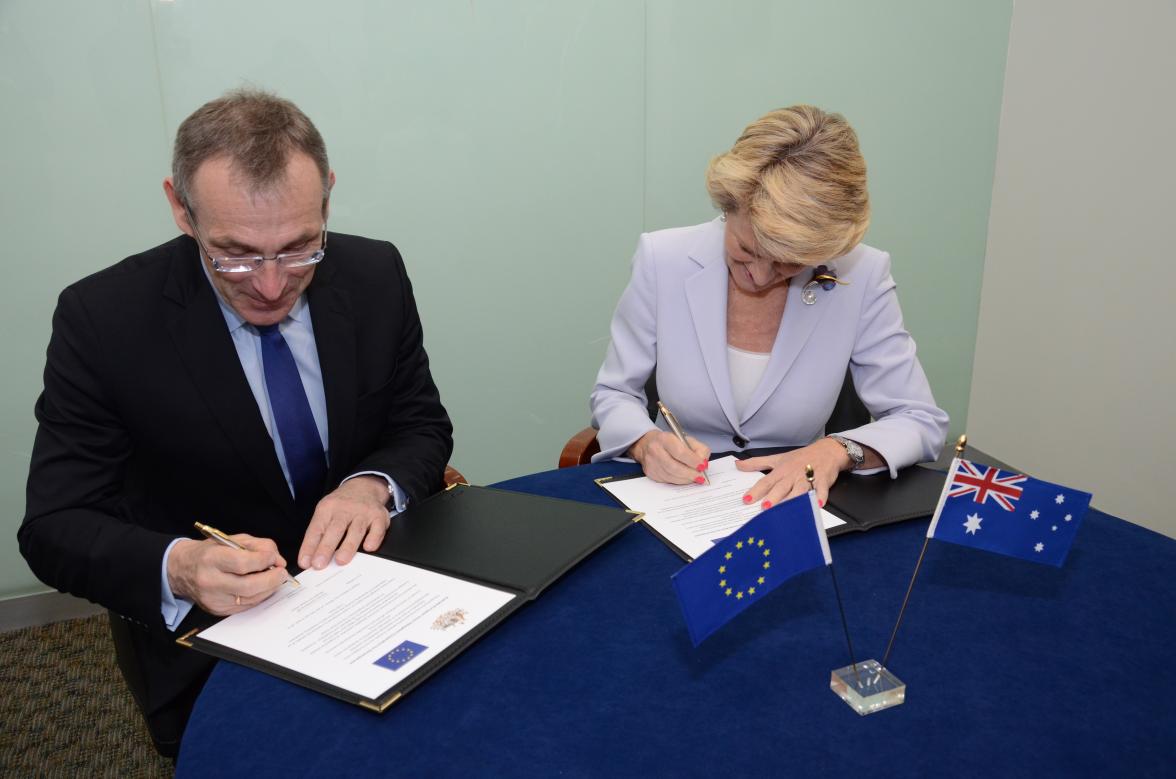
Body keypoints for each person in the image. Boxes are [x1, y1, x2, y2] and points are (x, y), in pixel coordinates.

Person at [18, 89, 453, 757]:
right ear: (180, 208)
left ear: (327, 197)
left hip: (376, 598)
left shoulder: (374, 274)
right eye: (237, 254)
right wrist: (184, 567)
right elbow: (54, 525)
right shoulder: (102, 321)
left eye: (301, 246)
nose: (273, 285)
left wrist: (371, 485)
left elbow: (419, 421)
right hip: (213, 645)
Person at [590, 105, 948, 508]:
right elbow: (614, 392)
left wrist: (835, 451)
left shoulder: (862, 273)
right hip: (678, 500)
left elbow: (920, 420)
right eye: (745, 250)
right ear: (728, 208)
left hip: (793, 501)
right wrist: (644, 443)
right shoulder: (663, 259)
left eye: (788, 262)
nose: (759, 276)